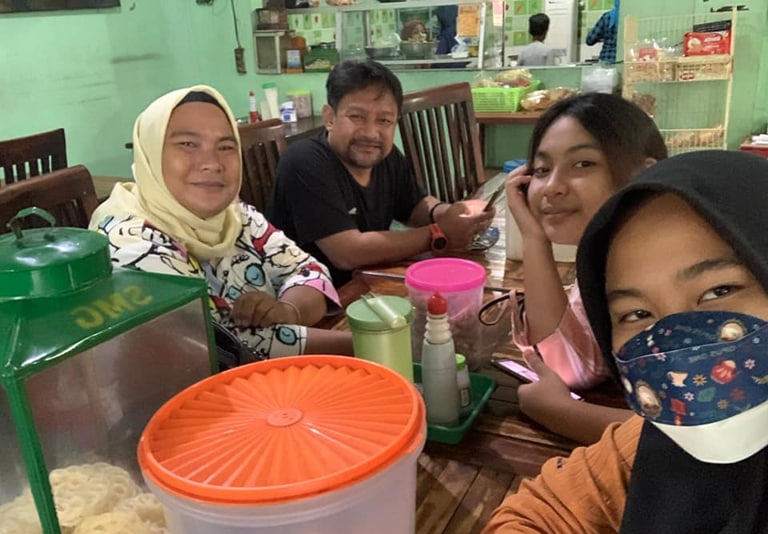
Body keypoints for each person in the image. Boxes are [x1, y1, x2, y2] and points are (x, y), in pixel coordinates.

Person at [479, 150, 768, 534]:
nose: (676, 349)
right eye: (637, 314)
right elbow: (535, 521)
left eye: (718, 291)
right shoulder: (656, 446)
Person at [89, 85, 353, 361]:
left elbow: (309, 270)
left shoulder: (234, 215)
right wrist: (366, 343)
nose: (212, 163)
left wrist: (288, 310)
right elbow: (223, 345)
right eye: (188, 144)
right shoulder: (130, 245)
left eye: (226, 147)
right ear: (150, 152)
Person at [504, 92, 667, 444]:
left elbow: (701, 436)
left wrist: (564, 414)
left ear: (644, 174)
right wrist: (534, 238)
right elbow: (571, 365)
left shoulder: (675, 274)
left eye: (583, 164)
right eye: (542, 170)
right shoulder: (607, 256)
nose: (551, 188)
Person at [268, 59, 494, 287]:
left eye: (384, 120)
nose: (370, 133)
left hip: (370, 283)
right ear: (330, 118)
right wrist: (439, 233)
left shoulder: (385, 155)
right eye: (357, 116)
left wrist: (449, 213)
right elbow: (347, 253)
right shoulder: (304, 161)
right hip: (314, 299)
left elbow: (413, 205)